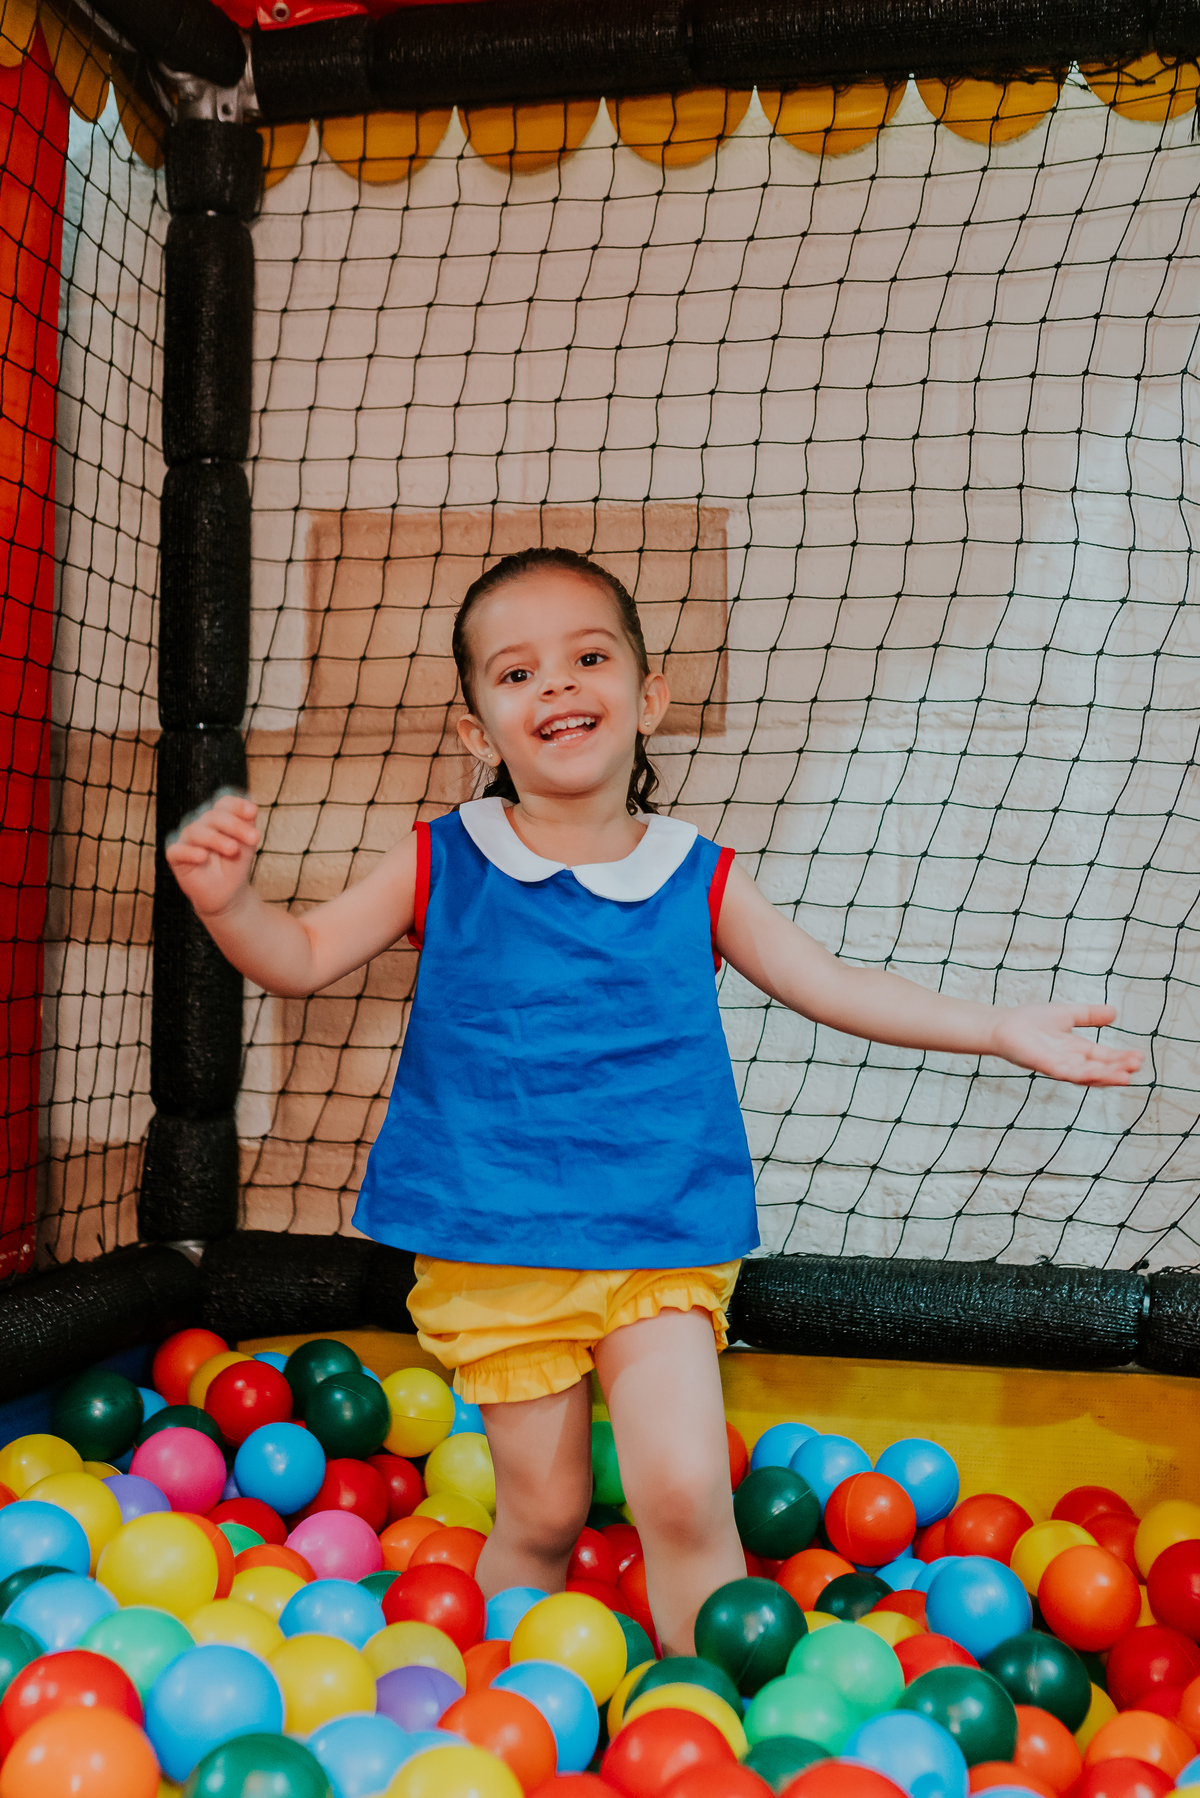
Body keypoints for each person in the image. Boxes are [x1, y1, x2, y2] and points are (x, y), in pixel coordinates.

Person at [166, 545, 1142, 1654]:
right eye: (517, 673)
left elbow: (831, 984)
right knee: (544, 1511)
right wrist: (230, 903)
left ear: (649, 694)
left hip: (657, 1239)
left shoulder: (695, 872)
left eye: (588, 657)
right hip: (498, 1246)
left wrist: (997, 1027)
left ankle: (706, 1705)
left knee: (683, 1492)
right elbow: (298, 958)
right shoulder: (445, 856)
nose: (557, 684)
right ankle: (496, 1693)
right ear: (477, 731)